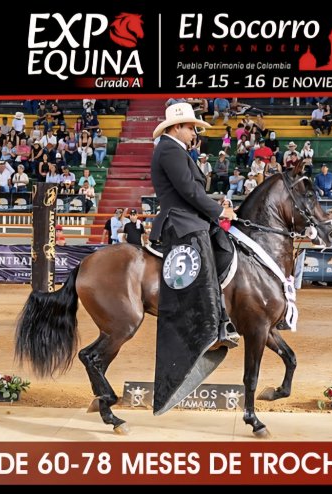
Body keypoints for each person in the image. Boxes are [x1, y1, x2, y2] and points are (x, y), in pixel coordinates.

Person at [149, 102, 238, 413]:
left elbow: (193, 190)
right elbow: (188, 190)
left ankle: (222, 319)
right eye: (191, 128)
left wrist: (216, 208)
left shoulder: (177, 150)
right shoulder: (169, 150)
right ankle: (211, 327)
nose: (194, 133)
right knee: (204, 261)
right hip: (181, 222)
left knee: (224, 249)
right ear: (176, 127)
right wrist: (218, 211)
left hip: (193, 218)